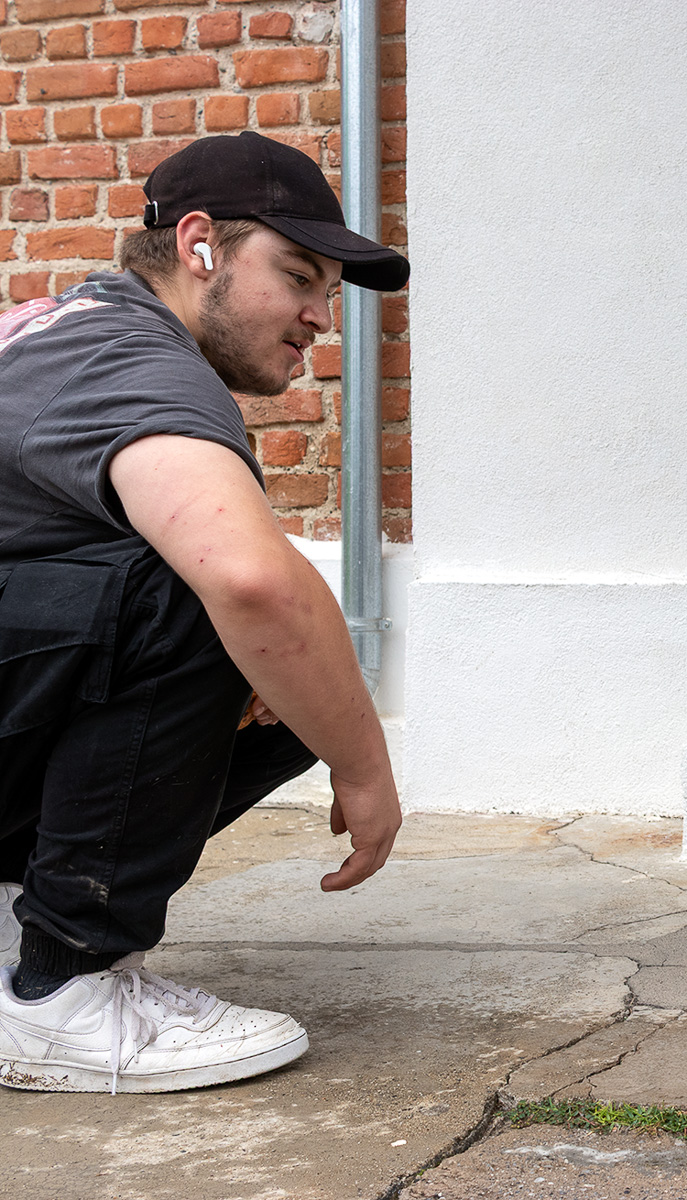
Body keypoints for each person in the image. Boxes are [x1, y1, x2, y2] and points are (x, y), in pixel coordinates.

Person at [0, 132, 410, 1091]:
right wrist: (367, 770)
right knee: (224, 607)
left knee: (293, 666)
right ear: (199, 246)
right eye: (298, 275)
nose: (319, 315)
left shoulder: (62, 327)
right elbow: (252, 583)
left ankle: (16, 923)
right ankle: (63, 995)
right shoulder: (136, 363)